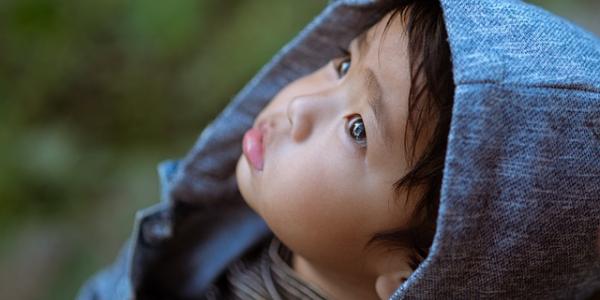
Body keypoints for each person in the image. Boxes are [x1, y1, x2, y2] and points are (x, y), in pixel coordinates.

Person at [78, 0, 600, 299]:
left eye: (357, 130)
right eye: (342, 65)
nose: (302, 105)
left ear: (410, 274)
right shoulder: (226, 231)